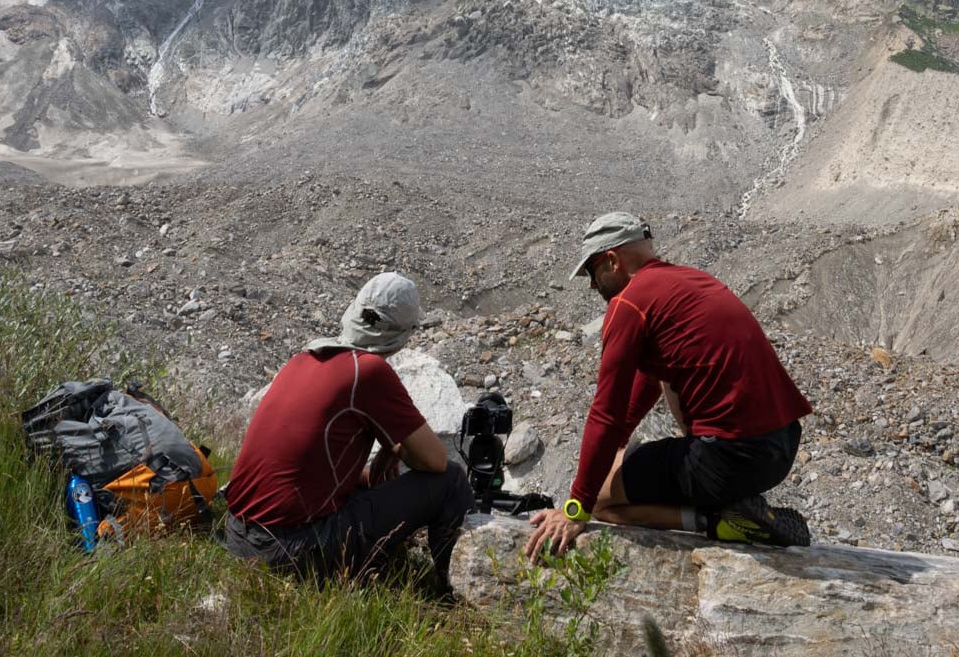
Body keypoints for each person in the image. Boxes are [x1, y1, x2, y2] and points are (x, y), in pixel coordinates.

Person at [525, 212, 812, 559]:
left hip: (727, 458)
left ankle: (719, 521)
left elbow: (606, 412)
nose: (591, 285)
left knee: (602, 501)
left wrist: (575, 508)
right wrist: (619, 443)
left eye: (592, 271)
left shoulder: (629, 302)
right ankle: (733, 505)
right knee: (628, 455)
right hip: (780, 450)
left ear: (612, 261)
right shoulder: (688, 281)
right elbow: (650, 379)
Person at [221, 272, 472, 597]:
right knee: (450, 481)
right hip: (289, 551)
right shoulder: (368, 371)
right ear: (402, 333)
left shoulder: (303, 359)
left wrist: (372, 471)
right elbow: (436, 462)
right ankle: (451, 592)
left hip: (237, 535)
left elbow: (304, 468)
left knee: (368, 486)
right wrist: (399, 450)